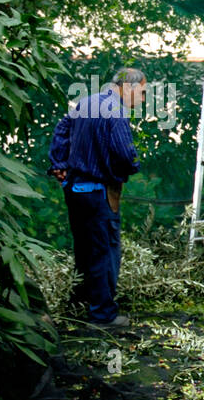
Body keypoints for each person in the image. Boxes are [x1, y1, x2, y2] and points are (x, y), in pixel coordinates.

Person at [47, 68, 144, 327]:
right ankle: (102, 315)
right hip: (99, 192)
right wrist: (133, 168)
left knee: (84, 248)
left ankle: (79, 303)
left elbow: (61, 131)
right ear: (128, 86)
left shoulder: (84, 103)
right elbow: (125, 153)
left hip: (74, 189)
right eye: (142, 92)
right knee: (104, 251)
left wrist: (59, 163)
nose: (142, 99)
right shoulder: (117, 110)